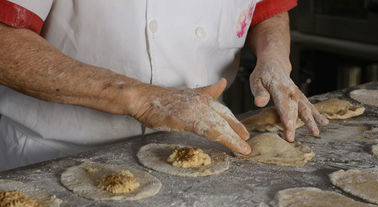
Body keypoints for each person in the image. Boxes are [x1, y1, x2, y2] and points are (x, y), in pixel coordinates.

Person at [0, 0, 328, 171]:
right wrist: (141, 100)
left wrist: (272, 58)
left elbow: (267, 8)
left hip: (200, 156)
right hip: (57, 158)